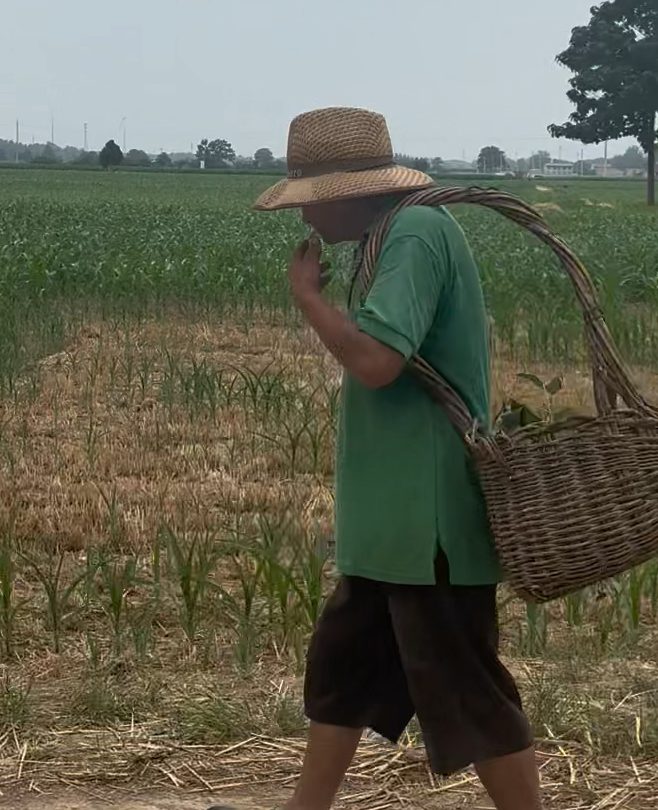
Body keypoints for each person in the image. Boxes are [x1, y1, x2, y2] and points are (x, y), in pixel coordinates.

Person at [230, 107, 542, 810]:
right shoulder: (388, 237)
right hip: (388, 522)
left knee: (469, 690)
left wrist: (308, 299)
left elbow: (376, 361)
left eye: (312, 203)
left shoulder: (417, 234)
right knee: (342, 675)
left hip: (427, 521)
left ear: (353, 190)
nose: (307, 221)